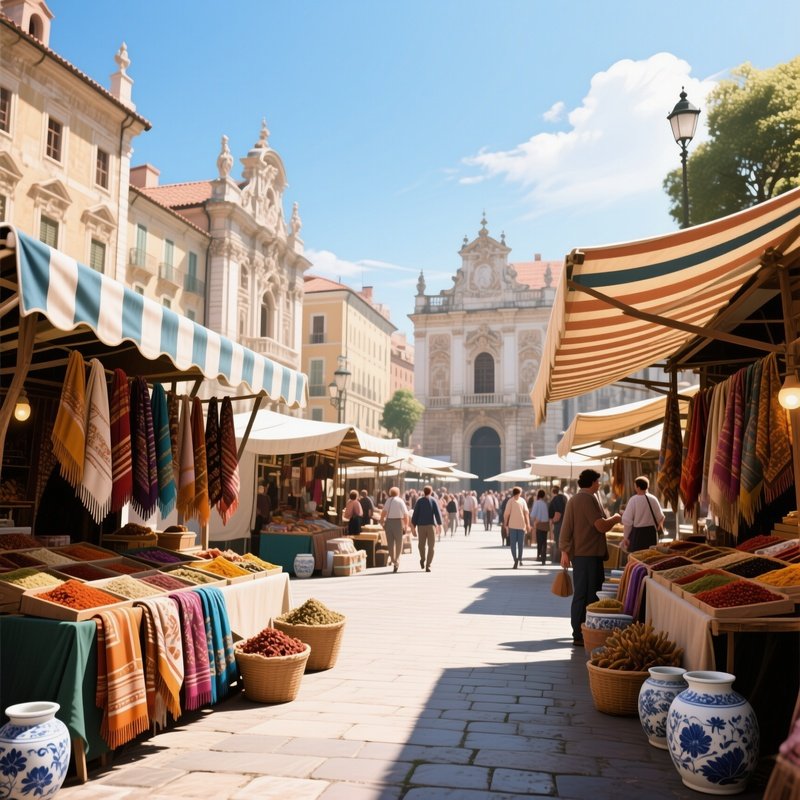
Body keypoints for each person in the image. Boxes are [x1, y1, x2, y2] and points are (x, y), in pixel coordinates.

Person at [559, 468, 622, 647]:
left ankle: (579, 631)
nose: (600, 484)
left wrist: (564, 550)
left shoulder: (574, 499)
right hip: (588, 556)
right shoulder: (587, 500)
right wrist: (616, 518)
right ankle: (581, 632)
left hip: (581, 556)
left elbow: (566, 527)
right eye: (598, 481)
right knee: (588, 594)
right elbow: (600, 526)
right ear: (592, 482)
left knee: (582, 593)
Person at [621, 475, 665, 553]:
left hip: (638, 534)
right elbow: (661, 517)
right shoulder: (653, 499)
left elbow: (627, 522)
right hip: (651, 533)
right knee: (650, 557)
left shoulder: (633, 500)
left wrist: (626, 537)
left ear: (638, 487)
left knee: (638, 557)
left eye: (635, 486)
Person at [410, 484, 442, 572]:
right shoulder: (428, 501)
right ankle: (426, 561)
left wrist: (413, 527)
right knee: (428, 546)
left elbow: (415, 515)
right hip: (428, 526)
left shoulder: (423, 501)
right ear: (431, 492)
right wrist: (439, 525)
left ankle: (425, 562)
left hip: (424, 526)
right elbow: (437, 513)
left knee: (423, 545)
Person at [380, 486, 410, 573]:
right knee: (399, 542)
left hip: (389, 522)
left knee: (390, 543)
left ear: (390, 493)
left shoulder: (388, 501)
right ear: (398, 493)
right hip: (398, 522)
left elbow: (384, 512)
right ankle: (397, 560)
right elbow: (405, 515)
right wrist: (406, 525)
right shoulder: (400, 501)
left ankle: (393, 560)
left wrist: (382, 522)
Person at [503, 486, 530, 569]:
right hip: (520, 525)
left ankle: (517, 559)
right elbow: (526, 514)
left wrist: (505, 523)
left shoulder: (510, 501)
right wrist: (528, 524)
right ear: (519, 493)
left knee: (514, 544)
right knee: (519, 544)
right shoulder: (521, 501)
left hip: (515, 526)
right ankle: (518, 559)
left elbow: (506, 514)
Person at [529, 489, 550, 565]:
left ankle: (539, 556)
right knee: (544, 541)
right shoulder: (545, 503)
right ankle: (543, 558)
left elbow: (533, 514)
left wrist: (534, 522)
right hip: (546, 524)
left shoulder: (537, 503)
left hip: (539, 524)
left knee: (539, 542)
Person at [548, 485, 567, 564]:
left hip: (559, 523)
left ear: (552, 491)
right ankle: (560, 558)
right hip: (564, 522)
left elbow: (558, 513)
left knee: (558, 540)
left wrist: (552, 522)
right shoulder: (564, 497)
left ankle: (559, 558)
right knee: (560, 540)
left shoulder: (556, 499)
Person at [252, 481, 272, 551]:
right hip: (260, 524)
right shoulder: (265, 498)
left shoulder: (256, 497)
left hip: (259, 525)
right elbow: (268, 511)